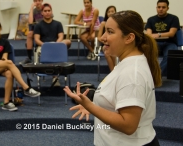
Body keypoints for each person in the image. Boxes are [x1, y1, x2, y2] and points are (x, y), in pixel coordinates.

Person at [64, 10, 162, 146]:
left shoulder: (132, 74)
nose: (103, 37)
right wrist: (97, 105)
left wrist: (91, 106)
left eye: (110, 32)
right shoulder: (127, 62)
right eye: (104, 31)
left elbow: (128, 126)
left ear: (129, 38)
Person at [0, 19, 41, 111]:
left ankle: (6, 102)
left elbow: (4, 58)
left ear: (0, 28)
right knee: (9, 63)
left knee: (9, 74)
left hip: (2, 66)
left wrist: (1, 62)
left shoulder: (5, 42)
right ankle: (26, 88)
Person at [34, 3, 71, 86]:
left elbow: (61, 36)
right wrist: (46, 46)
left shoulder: (58, 24)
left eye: (49, 10)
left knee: (67, 42)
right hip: (43, 46)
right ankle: (54, 76)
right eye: (45, 11)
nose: (47, 12)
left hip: (56, 44)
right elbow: (36, 39)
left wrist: (55, 45)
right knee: (53, 52)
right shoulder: (38, 25)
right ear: (42, 13)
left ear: (51, 12)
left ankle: (55, 77)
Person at [145, 0, 180, 77]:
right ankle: (148, 75)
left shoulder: (174, 18)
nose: (161, 9)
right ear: (156, 8)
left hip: (170, 43)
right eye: (159, 7)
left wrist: (158, 35)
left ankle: (158, 76)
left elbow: (171, 33)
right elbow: (149, 34)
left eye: (163, 7)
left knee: (170, 56)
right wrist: (163, 35)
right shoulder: (151, 19)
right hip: (155, 43)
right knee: (146, 53)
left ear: (167, 8)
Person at [22, 0, 44, 64]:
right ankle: (29, 57)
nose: (37, 2)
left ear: (42, 1)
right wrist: (31, 8)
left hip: (44, 29)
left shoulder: (45, 9)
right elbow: (30, 22)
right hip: (36, 30)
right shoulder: (33, 11)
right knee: (29, 34)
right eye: (36, 1)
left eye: (39, 0)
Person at [97, 5, 117, 71]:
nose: (111, 13)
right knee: (107, 52)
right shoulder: (103, 23)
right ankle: (113, 72)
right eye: (109, 12)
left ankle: (116, 70)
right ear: (106, 13)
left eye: (112, 11)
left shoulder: (117, 24)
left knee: (113, 50)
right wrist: (106, 41)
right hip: (105, 44)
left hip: (114, 43)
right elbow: (99, 37)